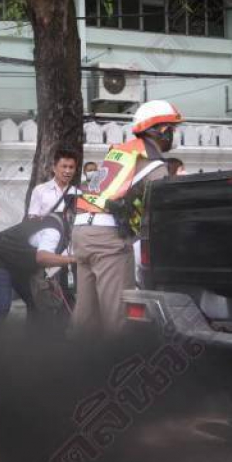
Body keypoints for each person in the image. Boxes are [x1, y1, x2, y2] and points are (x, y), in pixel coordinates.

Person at [72, 99, 183, 338]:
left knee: (86, 317)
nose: (174, 135)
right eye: (172, 129)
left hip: (82, 233)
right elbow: (161, 209)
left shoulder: (121, 152)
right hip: (107, 239)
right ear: (161, 130)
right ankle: (116, 367)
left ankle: (76, 364)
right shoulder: (153, 163)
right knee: (118, 319)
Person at [0, 209, 76, 322]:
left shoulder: (68, 228)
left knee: (37, 304)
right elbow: (42, 258)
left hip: (22, 262)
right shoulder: (53, 231)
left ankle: (33, 338)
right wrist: (73, 260)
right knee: (1, 307)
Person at [28, 149, 81, 218]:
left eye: (71, 167)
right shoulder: (40, 190)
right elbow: (33, 217)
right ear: (54, 168)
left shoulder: (77, 193)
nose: (68, 171)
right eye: (64, 166)